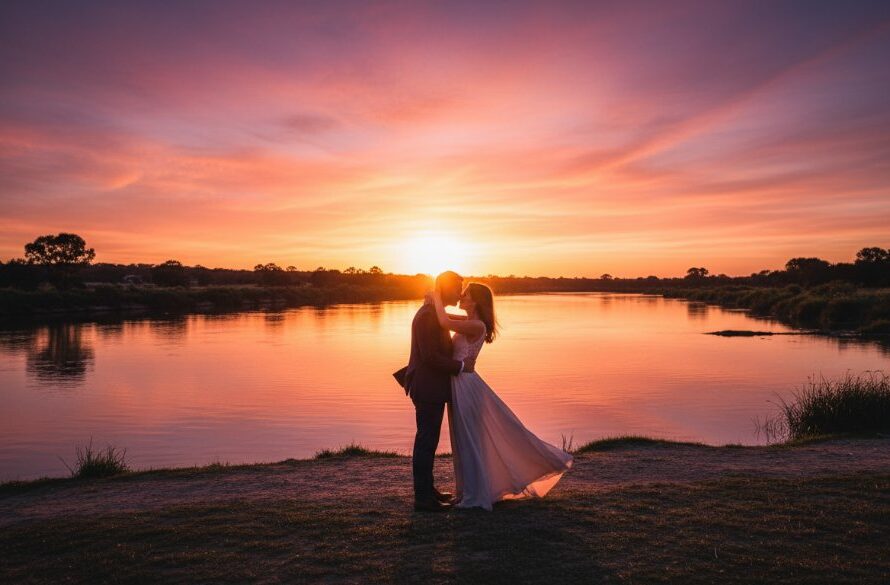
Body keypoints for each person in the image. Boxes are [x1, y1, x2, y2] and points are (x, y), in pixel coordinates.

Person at [428, 281, 573, 511]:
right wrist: (434, 304)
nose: (460, 297)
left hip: (466, 386)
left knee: (470, 441)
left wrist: (435, 294)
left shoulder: (477, 326)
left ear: (475, 300)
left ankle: (475, 496)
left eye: (465, 294)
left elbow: (444, 321)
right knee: (464, 440)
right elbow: (443, 318)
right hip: (460, 383)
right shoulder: (468, 322)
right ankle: (467, 492)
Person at [395, 271, 466, 512]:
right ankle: (423, 499)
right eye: (458, 288)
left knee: (429, 441)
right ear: (445, 289)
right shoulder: (427, 316)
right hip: (427, 387)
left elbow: (454, 320)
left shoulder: (434, 312)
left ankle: (428, 491)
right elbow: (430, 356)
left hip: (431, 387)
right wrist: (461, 366)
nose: (460, 293)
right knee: (426, 442)